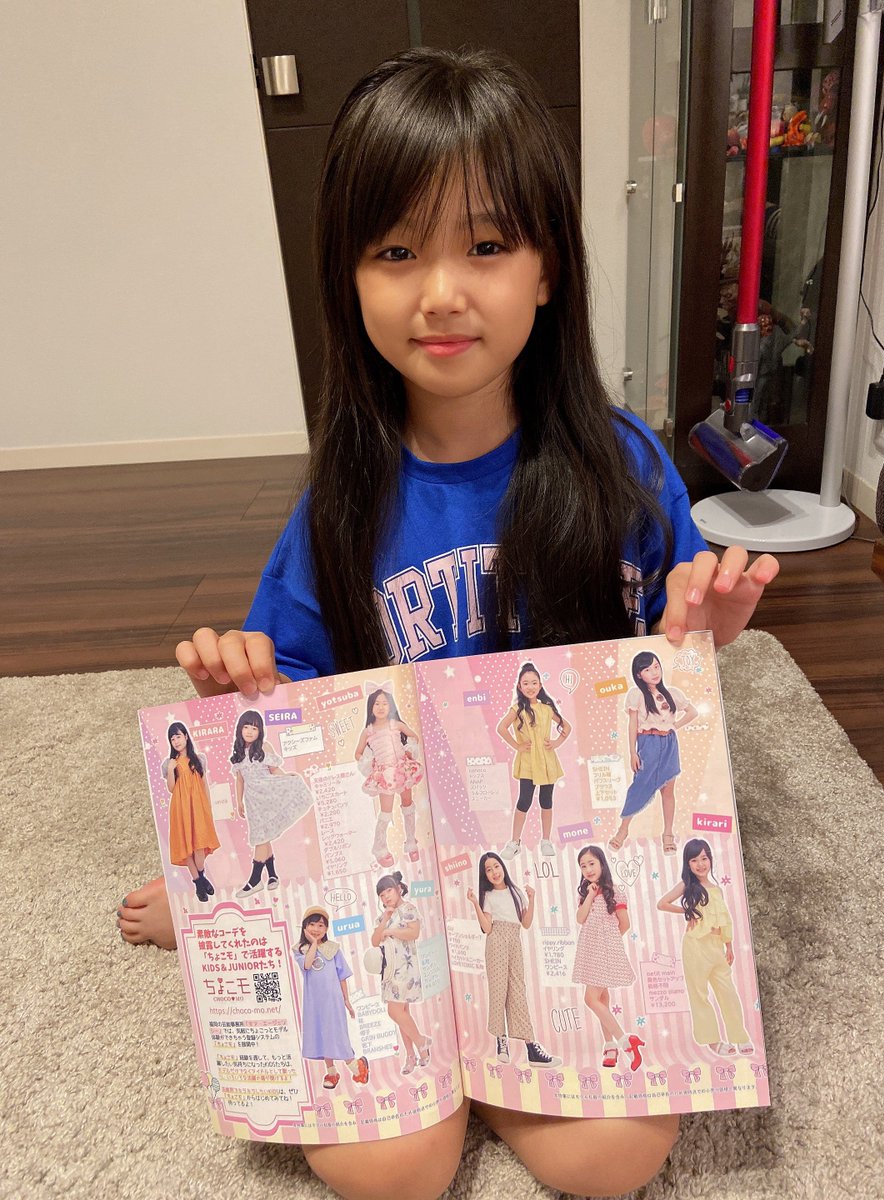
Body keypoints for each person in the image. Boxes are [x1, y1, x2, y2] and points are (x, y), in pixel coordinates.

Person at [118, 46, 780, 1199]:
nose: (440, 292)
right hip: (403, 878)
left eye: (484, 246)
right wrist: (246, 690)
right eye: (395, 251)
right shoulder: (341, 505)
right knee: (391, 1172)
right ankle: (279, 938)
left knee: (611, 1158)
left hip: (551, 868)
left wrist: (698, 632)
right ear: (347, 279)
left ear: (547, 269)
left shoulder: (623, 468)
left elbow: (661, 675)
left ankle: (491, 1046)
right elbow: (296, 708)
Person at [657, 838, 754, 1058]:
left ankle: (739, 1036)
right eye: (694, 860)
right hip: (695, 946)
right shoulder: (688, 885)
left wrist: (729, 946)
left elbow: (725, 919)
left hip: (716, 947)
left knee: (728, 993)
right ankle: (712, 1040)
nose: (700, 864)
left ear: (710, 859)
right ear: (687, 864)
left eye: (704, 858)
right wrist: (688, 912)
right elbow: (662, 903)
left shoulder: (717, 889)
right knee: (699, 994)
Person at [467, 852, 560, 1069]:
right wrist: (475, 904)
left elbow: (525, 923)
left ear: (503, 867)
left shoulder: (516, 892)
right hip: (496, 940)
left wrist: (532, 899)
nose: (494, 872)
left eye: (496, 866)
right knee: (499, 990)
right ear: (484, 875)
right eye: (488, 870)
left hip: (514, 940)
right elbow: (487, 928)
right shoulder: (488, 896)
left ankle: (531, 1047)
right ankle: (501, 1039)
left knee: (518, 990)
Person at [610, 651, 698, 855]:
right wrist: (632, 752)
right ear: (639, 675)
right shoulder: (637, 695)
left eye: (656, 666)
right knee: (639, 786)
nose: (654, 672)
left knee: (668, 790)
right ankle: (623, 830)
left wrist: (674, 726)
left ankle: (668, 834)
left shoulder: (673, 693)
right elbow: (632, 725)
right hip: (647, 743)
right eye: (648, 669)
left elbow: (693, 712)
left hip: (669, 744)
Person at [572, 845, 644, 1071]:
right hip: (590, 950)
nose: (588, 869)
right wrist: (590, 895)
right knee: (601, 998)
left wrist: (609, 943)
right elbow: (580, 918)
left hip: (604, 950)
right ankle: (610, 1046)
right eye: (583, 866)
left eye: (591, 863)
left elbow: (625, 923)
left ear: (602, 863)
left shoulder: (615, 891)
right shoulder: (585, 893)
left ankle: (626, 1042)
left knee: (590, 999)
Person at [230, 709, 314, 894]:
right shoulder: (238, 754)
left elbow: (274, 770)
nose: (250, 731)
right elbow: (240, 780)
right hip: (253, 800)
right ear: (240, 729)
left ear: (260, 731)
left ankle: (255, 881)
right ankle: (273, 875)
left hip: (269, 793)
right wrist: (239, 802)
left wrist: (287, 778)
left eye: (254, 728)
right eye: (246, 727)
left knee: (261, 837)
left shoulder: (264, 747)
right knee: (263, 835)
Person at [496, 661, 571, 859]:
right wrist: (517, 745)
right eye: (526, 683)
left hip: (547, 761)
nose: (530, 687)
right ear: (519, 686)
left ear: (540, 685)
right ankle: (514, 842)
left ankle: (546, 840)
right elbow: (501, 728)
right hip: (528, 761)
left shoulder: (546, 708)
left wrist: (556, 743)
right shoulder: (517, 709)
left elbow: (567, 727)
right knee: (524, 800)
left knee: (546, 800)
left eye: (534, 683)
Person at [293, 906, 370, 1091]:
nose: (316, 929)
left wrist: (346, 1000)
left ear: (326, 928)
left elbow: (342, 976)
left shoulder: (333, 949)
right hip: (313, 1002)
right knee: (322, 1035)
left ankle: (357, 1067)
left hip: (333, 1001)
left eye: (321, 925)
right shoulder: (300, 949)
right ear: (305, 927)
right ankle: (332, 1072)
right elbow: (307, 965)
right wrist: (313, 943)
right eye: (312, 924)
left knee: (336, 1034)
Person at [355, 686, 424, 866]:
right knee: (385, 812)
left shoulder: (396, 724)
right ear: (371, 707)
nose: (381, 707)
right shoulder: (368, 731)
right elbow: (358, 753)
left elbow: (414, 737)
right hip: (384, 775)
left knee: (407, 805)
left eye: (385, 703)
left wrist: (409, 750)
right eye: (377, 703)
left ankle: (411, 842)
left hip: (402, 769)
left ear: (391, 706)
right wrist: (369, 762)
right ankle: (379, 847)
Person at [371, 872, 431, 1075]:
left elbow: (414, 933)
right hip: (390, 970)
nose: (386, 896)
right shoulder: (384, 916)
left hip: (405, 969)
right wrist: (385, 920)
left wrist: (390, 931)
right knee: (402, 1014)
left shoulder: (409, 909)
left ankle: (421, 1042)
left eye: (388, 891)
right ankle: (413, 1055)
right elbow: (375, 941)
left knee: (394, 1012)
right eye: (382, 895)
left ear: (398, 889)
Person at [162, 722, 220, 902]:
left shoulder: (199, 759)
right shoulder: (170, 763)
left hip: (198, 807)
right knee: (186, 848)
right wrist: (171, 769)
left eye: (178, 736)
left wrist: (208, 807)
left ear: (186, 736)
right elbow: (171, 789)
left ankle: (200, 880)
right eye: (172, 739)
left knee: (199, 846)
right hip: (180, 808)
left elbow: (204, 784)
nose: (176, 741)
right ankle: (200, 884)